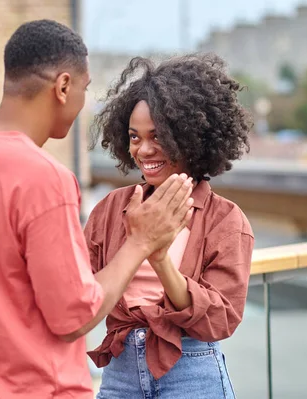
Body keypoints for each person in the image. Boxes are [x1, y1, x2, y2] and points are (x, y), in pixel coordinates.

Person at [0, 20, 194, 399]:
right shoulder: (43, 177)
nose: (84, 102)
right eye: (85, 87)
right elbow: (73, 315)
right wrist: (140, 241)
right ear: (63, 87)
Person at [85, 54, 255, 398]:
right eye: (135, 137)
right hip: (119, 373)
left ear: (191, 137)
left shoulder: (226, 220)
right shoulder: (109, 210)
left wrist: (161, 260)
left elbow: (222, 319)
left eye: (158, 136)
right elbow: (76, 293)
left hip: (192, 372)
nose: (144, 149)